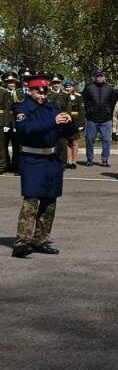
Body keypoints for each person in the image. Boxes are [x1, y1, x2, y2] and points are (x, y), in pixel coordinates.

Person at [11, 74, 78, 257]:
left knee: (49, 201)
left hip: (52, 159)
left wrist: (69, 123)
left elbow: (65, 132)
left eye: (44, 92)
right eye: (38, 92)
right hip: (32, 159)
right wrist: (53, 121)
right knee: (31, 200)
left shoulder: (52, 107)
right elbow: (26, 130)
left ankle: (40, 240)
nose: (42, 95)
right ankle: (22, 242)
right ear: (30, 91)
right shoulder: (22, 108)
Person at [82, 70, 118, 167]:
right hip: (92, 119)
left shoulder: (110, 88)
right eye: (97, 76)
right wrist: (89, 111)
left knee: (107, 140)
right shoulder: (88, 88)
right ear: (94, 77)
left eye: (101, 76)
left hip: (106, 119)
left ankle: (105, 160)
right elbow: (85, 102)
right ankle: (89, 159)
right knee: (89, 139)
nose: (99, 78)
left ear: (104, 77)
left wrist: (109, 112)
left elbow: (113, 102)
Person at [0, 72, 24, 175]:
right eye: (8, 82)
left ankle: (16, 167)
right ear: (5, 83)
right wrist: (5, 123)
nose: (11, 84)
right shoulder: (1, 92)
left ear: (16, 82)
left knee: (17, 146)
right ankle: (3, 166)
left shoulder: (20, 93)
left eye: (13, 82)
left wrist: (15, 124)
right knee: (2, 146)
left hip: (16, 123)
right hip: (2, 122)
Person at [60, 79, 84, 169]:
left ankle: (74, 162)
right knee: (67, 142)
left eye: (69, 86)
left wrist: (81, 123)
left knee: (74, 142)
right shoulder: (61, 96)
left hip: (75, 121)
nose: (67, 88)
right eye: (66, 87)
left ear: (73, 87)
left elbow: (81, 111)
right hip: (65, 121)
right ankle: (68, 161)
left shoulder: (78, 96)